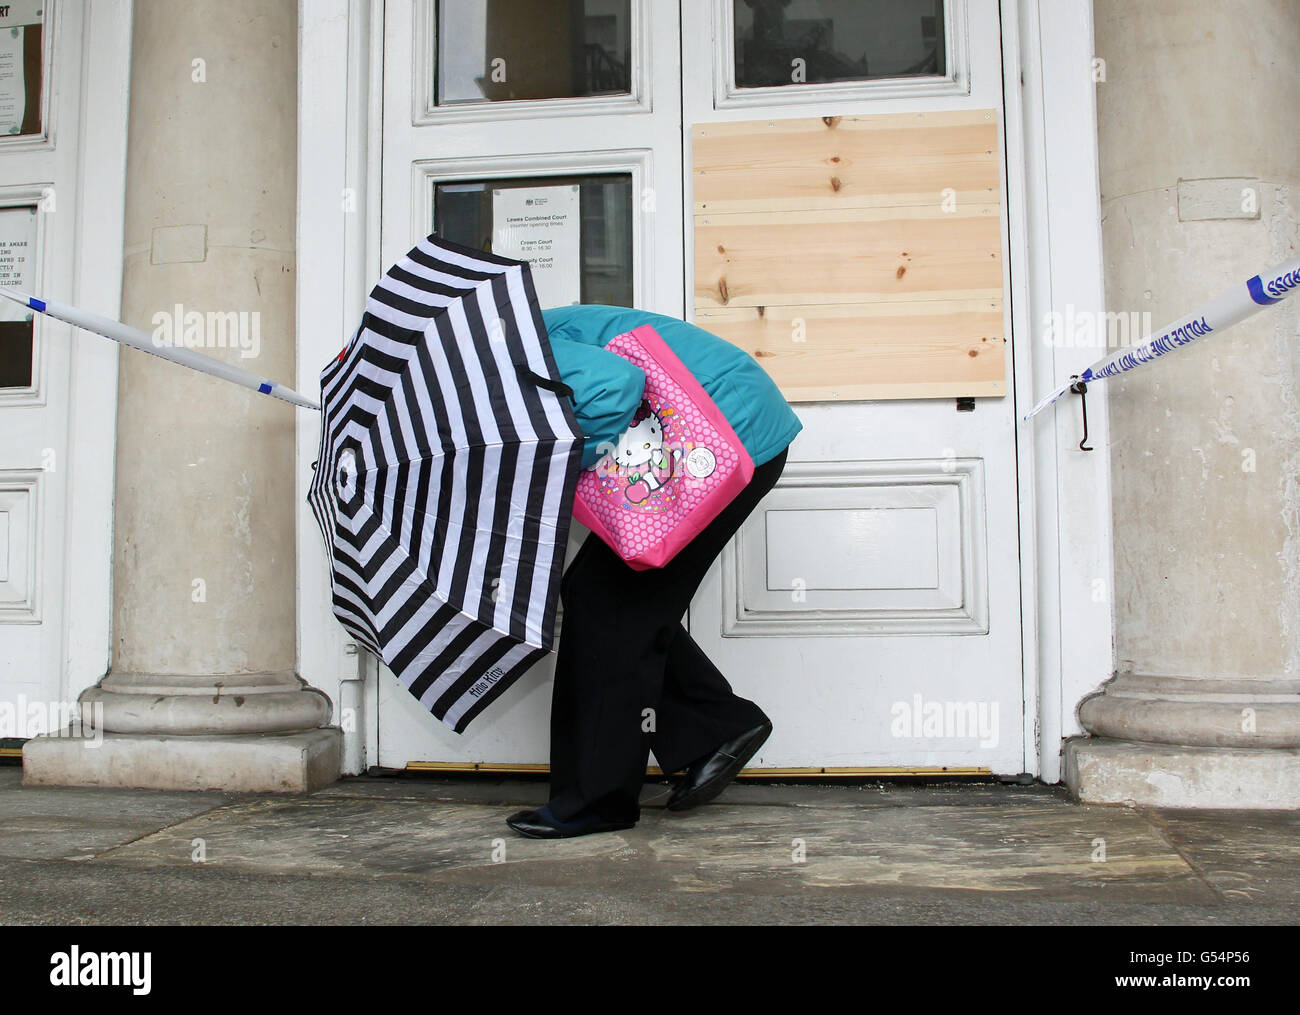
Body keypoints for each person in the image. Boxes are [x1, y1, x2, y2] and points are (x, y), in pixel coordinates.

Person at [506, 305, 802, 839]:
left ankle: (597, 800)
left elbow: (615, 388)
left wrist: (566, 465)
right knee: (609, 599)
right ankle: (717, 730)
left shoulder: (509, 346)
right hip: (726, 427)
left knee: (608, 602)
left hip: (724, 437)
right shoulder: (506, 342)